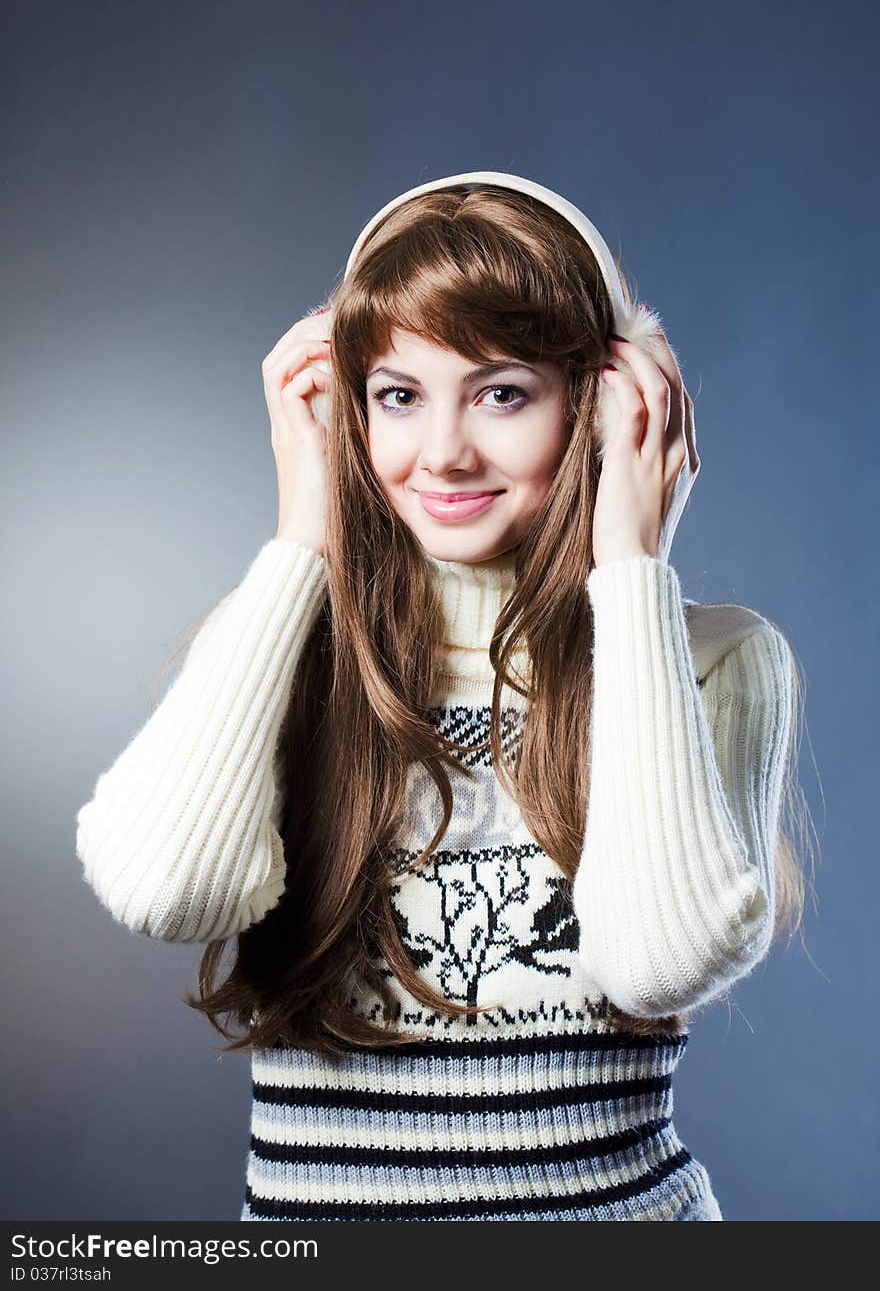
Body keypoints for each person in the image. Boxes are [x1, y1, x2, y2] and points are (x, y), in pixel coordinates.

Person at [75, 170, 810, 1221]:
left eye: (502, 391)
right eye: (398, 395)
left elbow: (661, 964)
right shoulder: (280, 646)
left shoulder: (712, 660)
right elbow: (166, 892)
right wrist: (302, 543)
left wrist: (632, 576)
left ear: (604, 404)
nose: (444, 452)